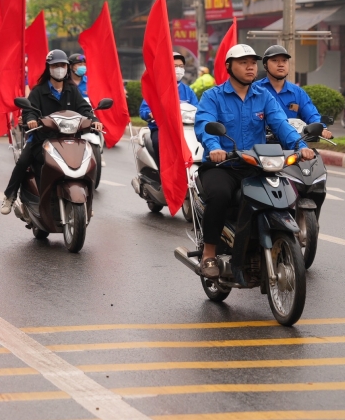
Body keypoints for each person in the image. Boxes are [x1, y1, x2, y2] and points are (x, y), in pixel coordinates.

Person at [194, 45, 314, 278]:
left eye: (253, 62)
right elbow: (204, 125)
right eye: (243, 62)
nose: (250, 67)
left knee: (282, 193)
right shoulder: (213, 96)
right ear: (229, 66)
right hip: (222, 166)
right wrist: (215, 147)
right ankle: (209, 254)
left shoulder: (263, 96)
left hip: (255, 166)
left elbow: (280, 124)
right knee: (219, 195)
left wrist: (301, 146)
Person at [1, 49, 102, 214]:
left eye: (62, 65)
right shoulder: (39, 91)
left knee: (89, 161)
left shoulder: (72, 90)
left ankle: (87, 202)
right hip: (42, 139)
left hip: (69, 139)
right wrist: (31, 120)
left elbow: (85, 109)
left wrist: (94, 120)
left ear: (67, 68)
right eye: (55, 65)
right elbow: (30, 111)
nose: (59, 68)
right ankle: (10, 196)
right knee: (23, 162)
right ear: (48, 68)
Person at [256, 45, 333, 139]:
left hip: (292, 144)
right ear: (265, 65)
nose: (281, 64)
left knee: (313, 154)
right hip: (260, 144)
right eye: (275, 60)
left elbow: (311, 115)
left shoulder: (297, 93)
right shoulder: (255, 90)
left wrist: (322, 128)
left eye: (284, 60)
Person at [140, 51, 198, 167]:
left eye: (181, 66)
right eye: (175, 66)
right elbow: (144, 110)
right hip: (161, 129)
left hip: (184, 129)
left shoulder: (188, 91)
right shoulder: (156, 89)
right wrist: (151, 114)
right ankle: (162, 173)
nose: (179, 69)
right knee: (159, 143)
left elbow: (197, 108)